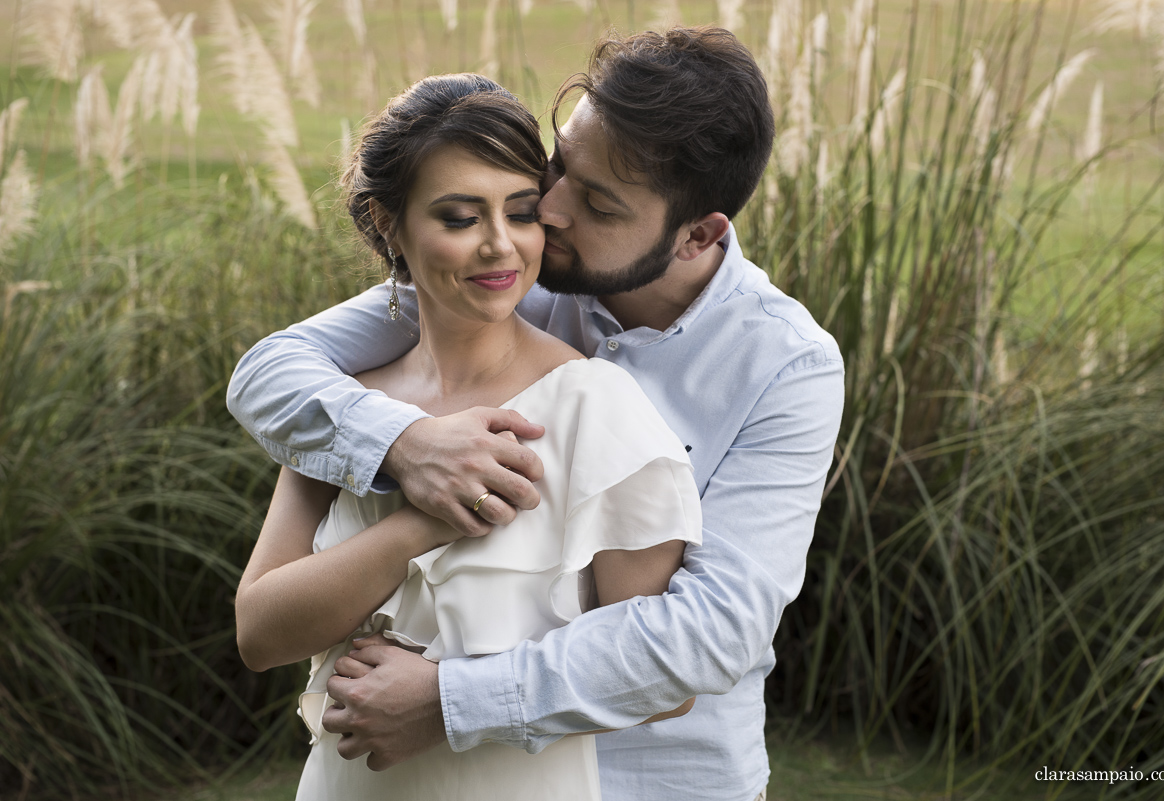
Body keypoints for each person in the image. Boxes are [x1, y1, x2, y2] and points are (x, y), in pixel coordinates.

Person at [227, 26, 844, 801]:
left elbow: (703, 640)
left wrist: (449, 701)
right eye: (560, 166)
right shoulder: (509, 271)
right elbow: (271, 373)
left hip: (665, 779)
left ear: (698, 235)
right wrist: (406, 447)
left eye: (594, 201)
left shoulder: (787, 365)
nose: (546, 211)